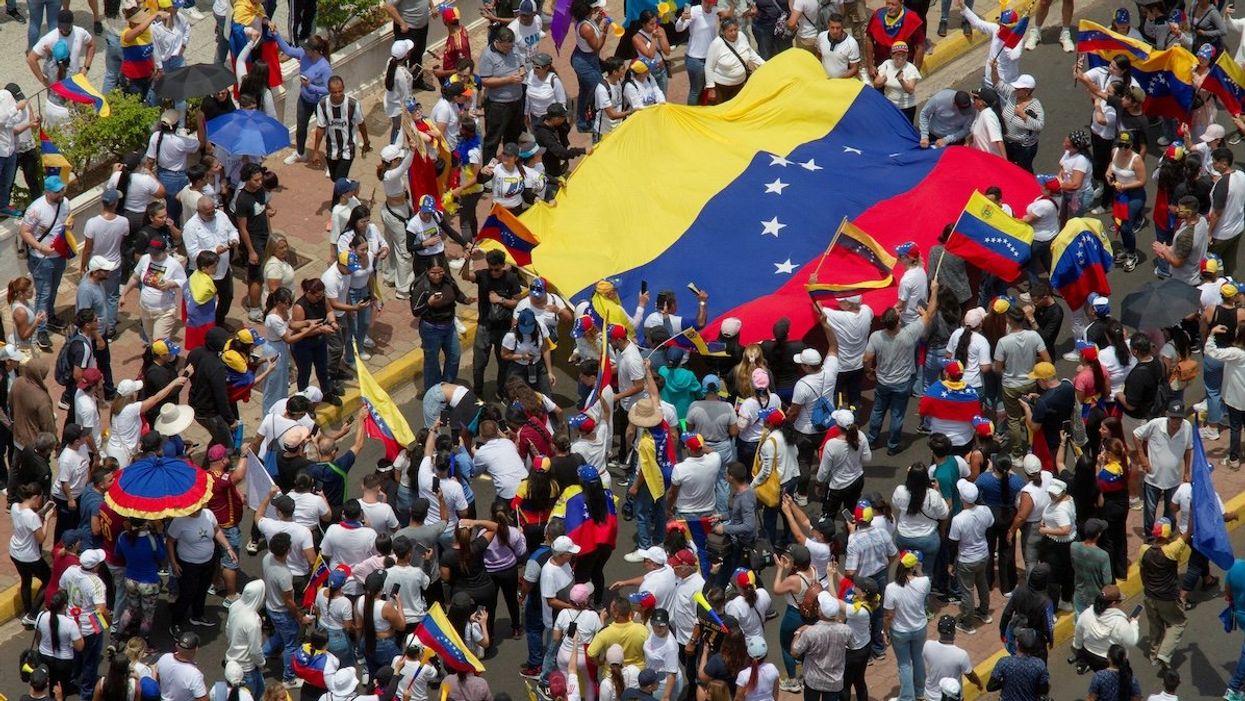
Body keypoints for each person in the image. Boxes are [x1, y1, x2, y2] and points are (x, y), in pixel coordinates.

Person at [864, 279, 941, 454]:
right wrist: (934, 290)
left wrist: (869, 371)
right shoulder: (909, 334)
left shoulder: (876, 337)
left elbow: (867, 358)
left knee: (878, 411)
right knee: (897, 415)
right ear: (898, 321)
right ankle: (892, 445)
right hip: (902, 383)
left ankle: (872, 440)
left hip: (883, 381)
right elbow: (930, 313)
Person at [311, 76, 371, 199]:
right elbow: (320, 128)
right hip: (331, 148)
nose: (338, 94)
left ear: (343, 89)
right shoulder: (322, 104)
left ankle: (337, 206)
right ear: (329, 90)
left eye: (340, 91)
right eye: (334, 92)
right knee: (334, 177)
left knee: (339, 181)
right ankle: (350, 187)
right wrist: (316, 152)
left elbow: (361, 124)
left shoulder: (353, 104)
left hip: (348, 148)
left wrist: (366, 141)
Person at [885, 551, 931, 701]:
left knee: (904, 664)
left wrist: (885, 630)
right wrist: (918, 569)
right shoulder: (924, 582)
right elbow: (922, 577)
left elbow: (889, 615)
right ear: (913, 567)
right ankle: (920, 692)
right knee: (918, 658)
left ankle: (906, 697)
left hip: (899, 631)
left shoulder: (891, 588)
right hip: (919, 628)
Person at [1072, 585, 1140, 674]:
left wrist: (1078, 649)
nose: (1121, 603)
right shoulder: (1119, 622)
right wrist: (1134, 624)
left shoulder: (1086, 614)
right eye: (1119, 601)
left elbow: (1078, 635)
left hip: (1091, 657)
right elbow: (1132, 642)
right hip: (1113, 661)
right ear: (1113, 603)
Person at [873, 41, 920, 120]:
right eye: (898, 54)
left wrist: (901, 81)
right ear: (892, 55)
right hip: (890, 106)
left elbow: (911, 90)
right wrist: (881, 81)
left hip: (906, 108)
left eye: (904, 55)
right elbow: (876, 84)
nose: (901, 58)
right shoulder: (887, 64)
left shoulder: (911, 68)